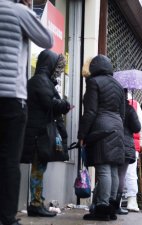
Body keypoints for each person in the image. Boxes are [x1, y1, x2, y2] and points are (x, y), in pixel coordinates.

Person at [0, 1, 53, 224]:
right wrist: (26, 8)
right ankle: (7, 218)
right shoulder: (18, 11)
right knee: (9, 160)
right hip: (11, 97)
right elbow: (47, 40)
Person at [21, 50, 70, 217]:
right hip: (37, 134)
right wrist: (64, 105)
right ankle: (35, 204)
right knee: (38, 168)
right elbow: (50, 104)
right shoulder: (39, 82)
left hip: (38, 132)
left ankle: (37, 201)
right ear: (49, 64)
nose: (57, 70)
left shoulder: (41, 81)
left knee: (39, 167)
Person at [78, 54, 125, 221]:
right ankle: (110, 207)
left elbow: (90, 111)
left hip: (101, 127)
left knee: (103, 169)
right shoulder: (119, 86)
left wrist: (82, 134)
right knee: (112, 170)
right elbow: (122, 113)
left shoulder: (94, 82)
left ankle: (102, 208)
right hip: (117, 128)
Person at [115, 89, 141, 215]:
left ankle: (104, 202)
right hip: (126, 145)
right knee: (123, 175)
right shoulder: (131, 108)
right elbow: (137, 128)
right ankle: (117, 204)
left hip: (111, 143)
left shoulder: (111, 106)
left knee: (108, 173)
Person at [125, 92, 142, 212]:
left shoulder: (113, 101)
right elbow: (141, 128)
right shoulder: (135, 105)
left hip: (116, 142)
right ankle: (132, 201)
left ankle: (114, 199)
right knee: (131, 173)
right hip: (133, 144)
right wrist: (141, 144)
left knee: (116, 172)